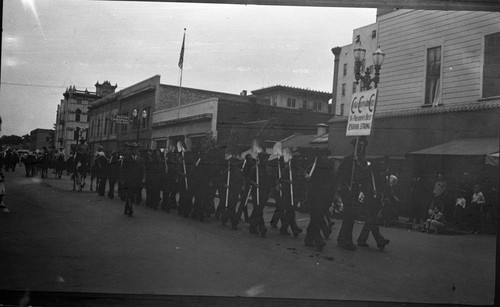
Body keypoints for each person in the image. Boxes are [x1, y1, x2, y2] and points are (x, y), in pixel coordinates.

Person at [304, 151, 334, 252]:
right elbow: (306, 175)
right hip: (314, 196)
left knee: (316, 219)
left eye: (326, 155)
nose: (325, 157)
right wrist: (307, 177)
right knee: (316, 219)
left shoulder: (328, 168)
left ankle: (308, 239)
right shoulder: (313, 166)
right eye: (323, 155)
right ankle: (318, 240)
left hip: (324, 197)